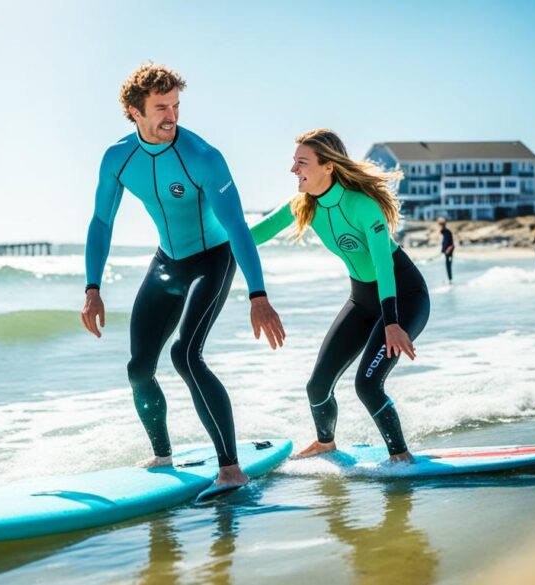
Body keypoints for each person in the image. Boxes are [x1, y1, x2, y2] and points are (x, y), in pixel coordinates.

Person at [81, 63, 285, 497]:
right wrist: (92, 288)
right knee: (139, 368)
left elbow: (238, 228)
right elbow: (101, 221)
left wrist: (258, 294)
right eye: (160, 107)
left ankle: (231, 468)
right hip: (167, 262)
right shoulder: (118, 159)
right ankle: (162, 455)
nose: (171, 115)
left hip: (213, 258)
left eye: (175, 105)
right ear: (135, 112)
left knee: (186, 354)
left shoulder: (202, 157)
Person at [250, 128, 431, 464]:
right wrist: (208, 245)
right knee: (317, 386)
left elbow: (383, 265)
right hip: (361, 300)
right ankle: (325, 443)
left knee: (368, 384)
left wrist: (392, 323)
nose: (293, 170)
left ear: (328, 166)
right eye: (294, 162)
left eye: (301, 162)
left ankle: (400, 457)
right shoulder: (303, 205)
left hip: (402, 297)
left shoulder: (362, 205)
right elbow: (252, 236)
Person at [438, 217, 454, 284]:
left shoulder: (447, 232)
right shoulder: (444, 232)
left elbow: (452, 244)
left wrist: (447, 250)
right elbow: (444, 242)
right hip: (446, 253)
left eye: (441, 225)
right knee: (447, 266)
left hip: (449, 252)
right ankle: (449, 280)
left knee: (448, 266)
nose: (440, 227)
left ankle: (450, 280)